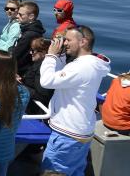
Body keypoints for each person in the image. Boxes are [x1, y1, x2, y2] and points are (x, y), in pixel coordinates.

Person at [39, 25, 111, 176]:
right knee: (75, 171)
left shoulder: (81, 67)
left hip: (67, 134)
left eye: (68, 40)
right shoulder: (91, 64)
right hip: (81, 131)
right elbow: (62, 75)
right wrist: (61, 56)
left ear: (83, 41)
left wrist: (51, 56)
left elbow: (46, 81)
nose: (64, 43)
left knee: (53, 171)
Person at [21, 37, 54, 114]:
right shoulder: (38, 63)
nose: (30, 53)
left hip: (35, 111)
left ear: (43, 52)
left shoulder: (43, 69)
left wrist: (20, 87)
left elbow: (41, 96)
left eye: (33, 51)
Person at [13, 1, 46, 77]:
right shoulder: (34, 30)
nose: (17, 16)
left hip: (20, 73)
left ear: (31, 16)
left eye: (21, 14)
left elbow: (15, 55)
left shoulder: (29, 35)